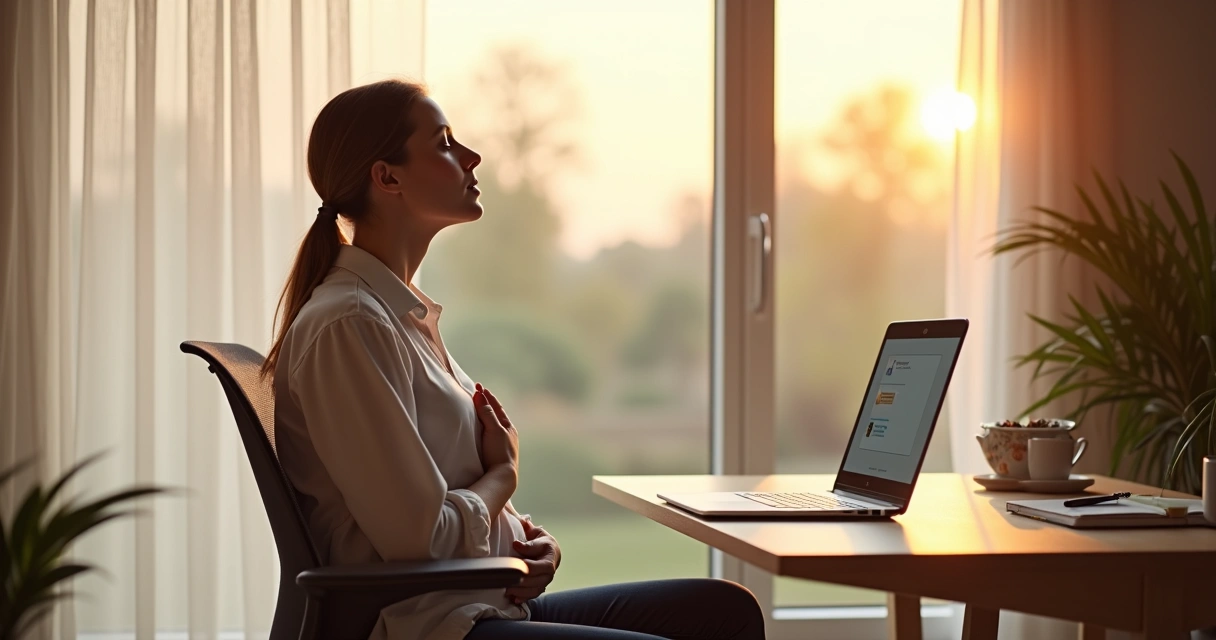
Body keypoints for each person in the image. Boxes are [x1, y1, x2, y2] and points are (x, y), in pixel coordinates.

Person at [264, 79, 766, 640]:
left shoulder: (396, 317)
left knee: (724, 610)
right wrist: (504, 475)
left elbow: (443, 495)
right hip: (429, 627)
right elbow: (420, 537)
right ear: (388, 177)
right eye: (445, 143)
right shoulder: (351, 326)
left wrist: (529, 539)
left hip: (481, 605)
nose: (472, 156)